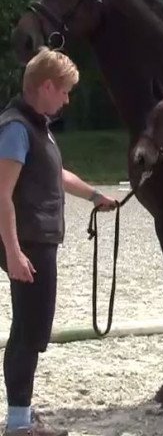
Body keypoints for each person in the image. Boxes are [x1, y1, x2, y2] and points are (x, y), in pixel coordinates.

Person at [0, 46, 117, 436]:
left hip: (37, 240)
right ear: (47, 86)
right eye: (64, 91)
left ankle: (22, 413)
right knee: (29, 329)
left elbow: (58, 173)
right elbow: (2, 194)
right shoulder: (17, 127)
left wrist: (94, 197)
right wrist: (14, 252)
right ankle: (18, 422)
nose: (67, 99)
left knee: (31, 328)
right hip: (29, 242)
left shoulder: (36, 127)